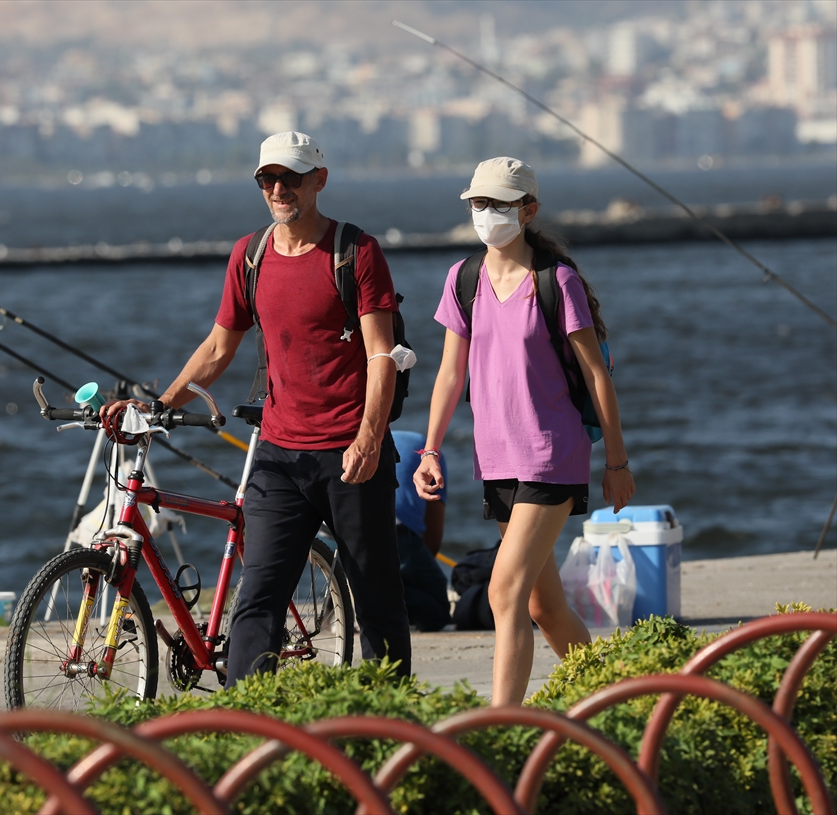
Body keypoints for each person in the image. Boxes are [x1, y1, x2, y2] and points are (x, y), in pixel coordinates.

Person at [105, 131, 412, 685]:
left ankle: (390, 724)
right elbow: (219, 346)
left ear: (318, 180)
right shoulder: (250, 256)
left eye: (289, 178)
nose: (277, 189)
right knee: (258, 598)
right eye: (266, 179)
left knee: (377, 601)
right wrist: (159, 404)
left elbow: (381, 353)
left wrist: (370, 436)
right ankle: (245, 724)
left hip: (351, 454)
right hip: (278, 455)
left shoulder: (356, 252)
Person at [413, 157, 636, 706]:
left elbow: (595, 374)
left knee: (503, 591)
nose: (486, 214)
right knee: (544, 606)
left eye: (498, 204)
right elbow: (448, 374)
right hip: (497, 462)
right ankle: (617, 697)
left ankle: (501, 725)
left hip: (552, 456)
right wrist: (430, 449)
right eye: (478, 204)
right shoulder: (463, 280)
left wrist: (616, 462)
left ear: (528, 210)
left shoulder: (555, 281)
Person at [392, 429, 451, 632]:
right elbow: (433, 536)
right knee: (439, 610)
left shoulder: (367, 439)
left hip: (334, 526)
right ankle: (374, 595)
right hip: (396, 531)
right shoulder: (428, 453)